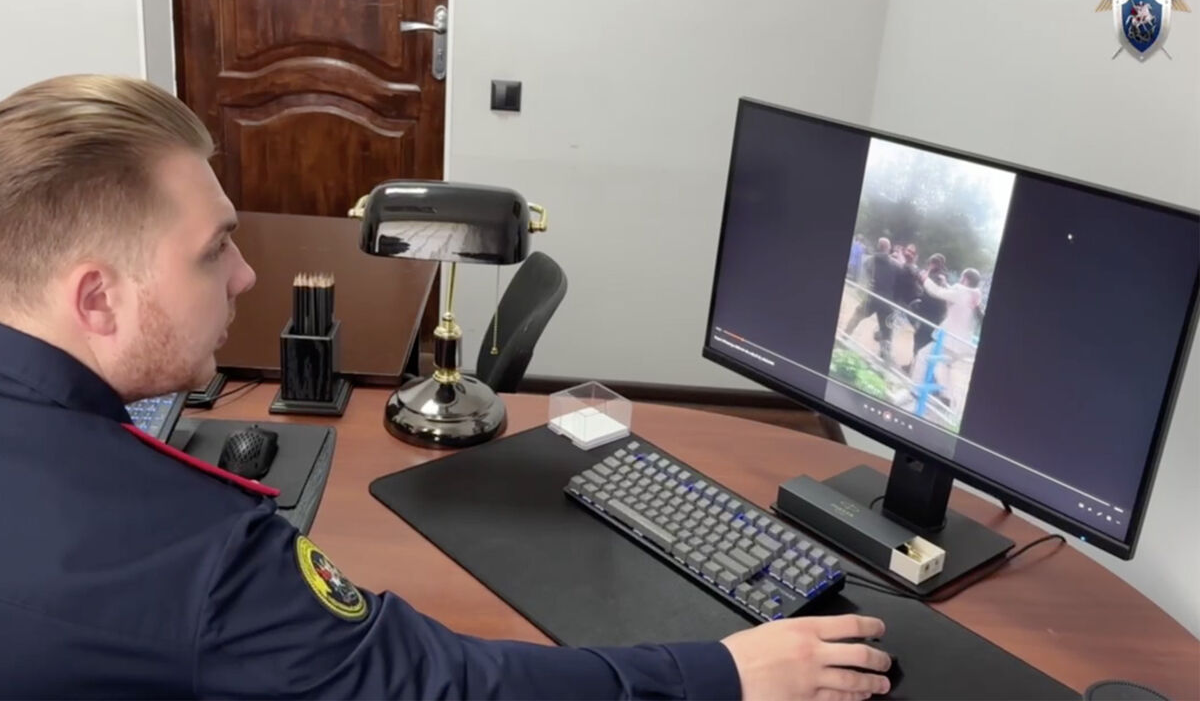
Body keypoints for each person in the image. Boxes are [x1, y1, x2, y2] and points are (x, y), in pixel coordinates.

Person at [0, 75, 892, 699]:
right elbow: (447, 686)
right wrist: (727, 676)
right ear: (97, 299)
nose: (244, 275)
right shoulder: (193, 556)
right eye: (213, 250)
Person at [908, 267, 984, 411]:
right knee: (943, 366)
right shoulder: (974, 295)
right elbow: (955, 296)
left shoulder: (961, 292)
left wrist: (925, 279)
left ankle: (917, 390)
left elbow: (937, 292)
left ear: (965, 279)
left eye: (962, 277)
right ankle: (947, 398)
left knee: (923, 356)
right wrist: (946, 284)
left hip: (949, 340)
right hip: (962, 344)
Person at [843, 237, 900, 363]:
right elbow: (898, 280)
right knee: (886, 329)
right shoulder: (895, 265)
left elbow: (867, 273)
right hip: (887, 300)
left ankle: (845, 336)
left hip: (873, 296)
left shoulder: (871, 260)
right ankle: (884, 355)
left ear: (878, 247)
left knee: (857, 315)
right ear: (888, 248)